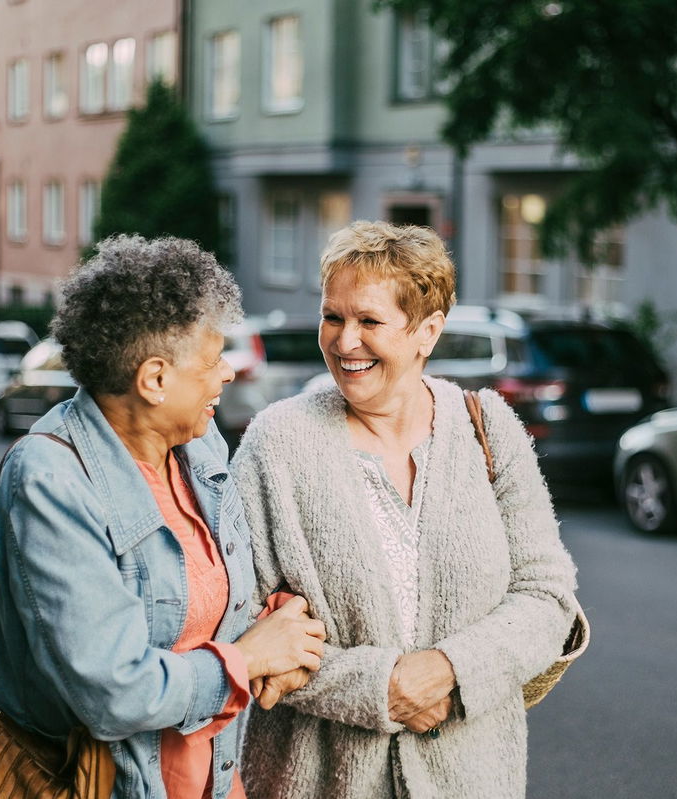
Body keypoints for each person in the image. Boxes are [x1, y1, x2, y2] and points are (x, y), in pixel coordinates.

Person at [231, 221, 580, 798]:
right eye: (332, 317)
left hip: (473, 780)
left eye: (369, 321)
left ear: (427, 332)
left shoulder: (489, 429)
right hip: (316, 781)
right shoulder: (277, 444)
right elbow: (243, 627)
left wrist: (447, 671)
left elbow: (548, 596)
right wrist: (383, 688)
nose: (345, 342)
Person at [0, 235, 326, 799]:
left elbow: (214, 596)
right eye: (213, 360)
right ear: (155, 379)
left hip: (213, 777)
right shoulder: (51, 480)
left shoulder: (199, 443)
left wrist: (280, 625)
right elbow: (113, 693)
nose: (227, 373)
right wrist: (249, 657)